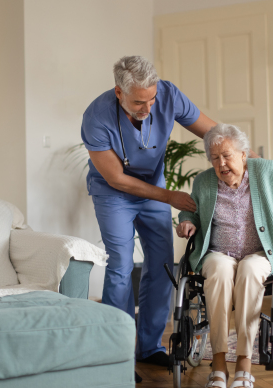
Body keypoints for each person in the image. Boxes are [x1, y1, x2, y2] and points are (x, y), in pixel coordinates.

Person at [81, 56, 243, 382]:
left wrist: (246, 157)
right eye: (139, 101)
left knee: (161, 264)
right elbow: (116, 178)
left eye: (151, 98)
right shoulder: (96, 117)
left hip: (153, 188)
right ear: (119, 92)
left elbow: (212, 132)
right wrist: (170, 197)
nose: (148, 106)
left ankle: (150, 346)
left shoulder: (168, 95)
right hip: (114, 194)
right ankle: (119, 353)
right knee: (120, 266)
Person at [176, 124, 273, 388]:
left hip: (260, 253)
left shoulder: (267, 171)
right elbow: (191, 211)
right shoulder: (204, 182)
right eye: (215, 158)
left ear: (244, 154)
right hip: (219, 253)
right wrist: (186, 222)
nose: (222, 163)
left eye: (227, 155)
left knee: (250, 270)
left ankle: (243, 363)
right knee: (218, 269)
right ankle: (218, 364)